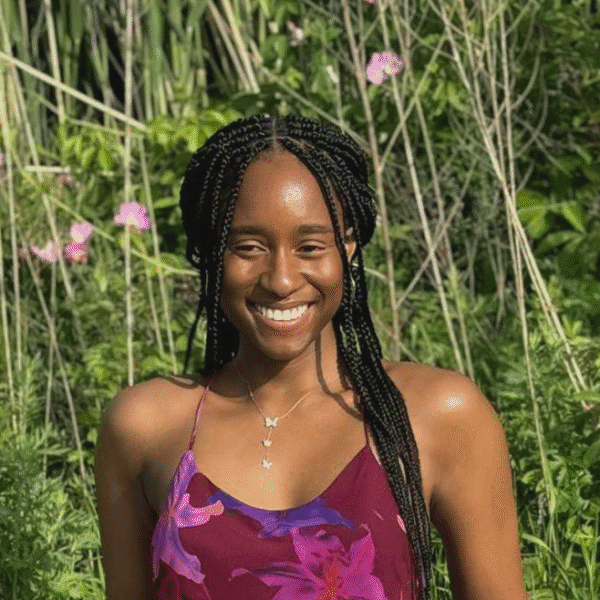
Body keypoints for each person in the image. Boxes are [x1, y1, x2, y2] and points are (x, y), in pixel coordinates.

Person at [95, 114, 528, 600]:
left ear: (348, 247)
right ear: (212, 251)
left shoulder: (438, 415)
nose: (281, 279)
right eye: (249, 247)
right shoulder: (143, 427)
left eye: (310, 246)